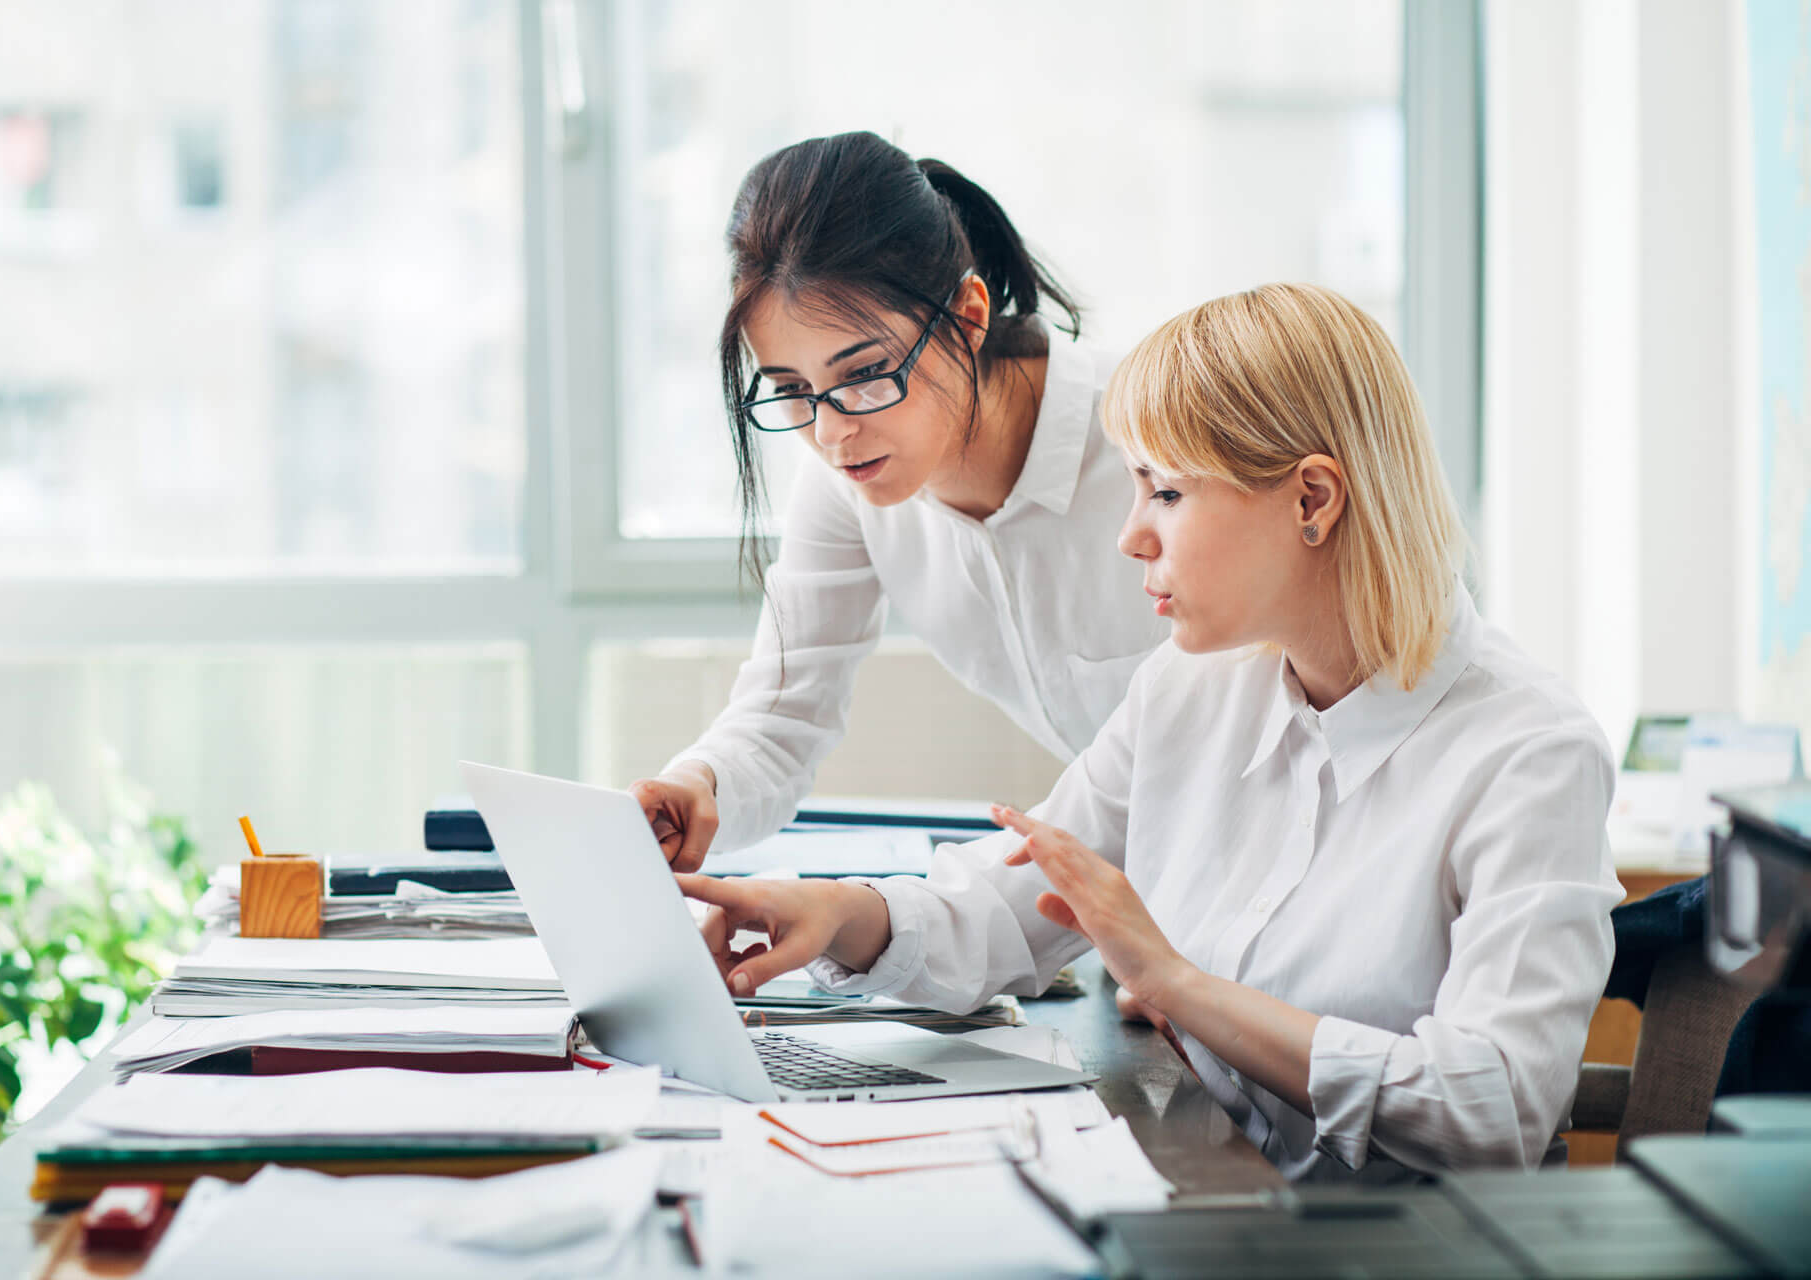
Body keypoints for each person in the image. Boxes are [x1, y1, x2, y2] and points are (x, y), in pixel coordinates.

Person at [677, 284, 1625, 1182]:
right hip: (1217, 1206)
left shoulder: (1530, 753)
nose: (1131, 536)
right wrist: (840, 913)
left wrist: (1179, 985)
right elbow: (1016, 907)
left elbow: (1494, 1106)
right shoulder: (1190, 688)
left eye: (1165, 493)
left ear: (1312, 500)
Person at [628, 131, 1166, 871]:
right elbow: (782, 713)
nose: (831, 431)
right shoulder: (847, 482)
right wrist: (698, 784)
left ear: (969, 316)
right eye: (791, 389)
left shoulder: (1156, 441)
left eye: (867, 372)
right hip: (1150, 899)